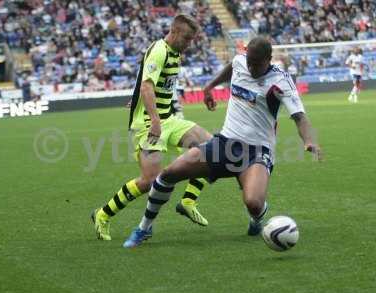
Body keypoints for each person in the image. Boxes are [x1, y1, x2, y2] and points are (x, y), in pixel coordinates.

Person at [123, 36, 322, 248]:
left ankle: (257, 219)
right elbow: (231, 67)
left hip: (256, 152)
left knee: (253, 203)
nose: (251, 68)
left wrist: (309, 141)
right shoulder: (239, 62)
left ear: (269, 59)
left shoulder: (280, 82)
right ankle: (144, 228)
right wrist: (209, 87)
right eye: (249, 62)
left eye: (257, 64)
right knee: (168, 174)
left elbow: (300, 117)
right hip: (224, 144)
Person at [91, 14, 213, 241]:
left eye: (192, 40)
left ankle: (187, 202)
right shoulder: (160, 50)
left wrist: (138, 98)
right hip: (149, 123)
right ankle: (102, 214)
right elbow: (147, 86)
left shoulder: (175, 52)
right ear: (174, 32)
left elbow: (145, 81)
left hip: (170, 119)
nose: (189, 44)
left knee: (212, 148)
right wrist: (155, 120)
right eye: (187, 38)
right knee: (150, 181)